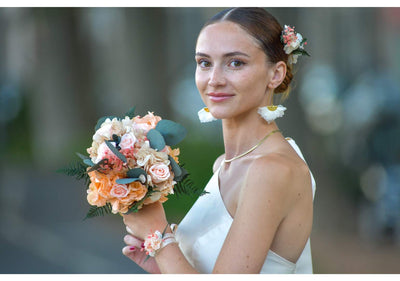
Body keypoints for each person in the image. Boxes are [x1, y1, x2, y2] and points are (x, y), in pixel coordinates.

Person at [121, 7, 315, 274]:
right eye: (204, 63)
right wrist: (160, 264)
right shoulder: (223, 164)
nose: (214, 79)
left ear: (276, 74)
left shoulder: (272, 169)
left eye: (235, 62)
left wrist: (158, 234)